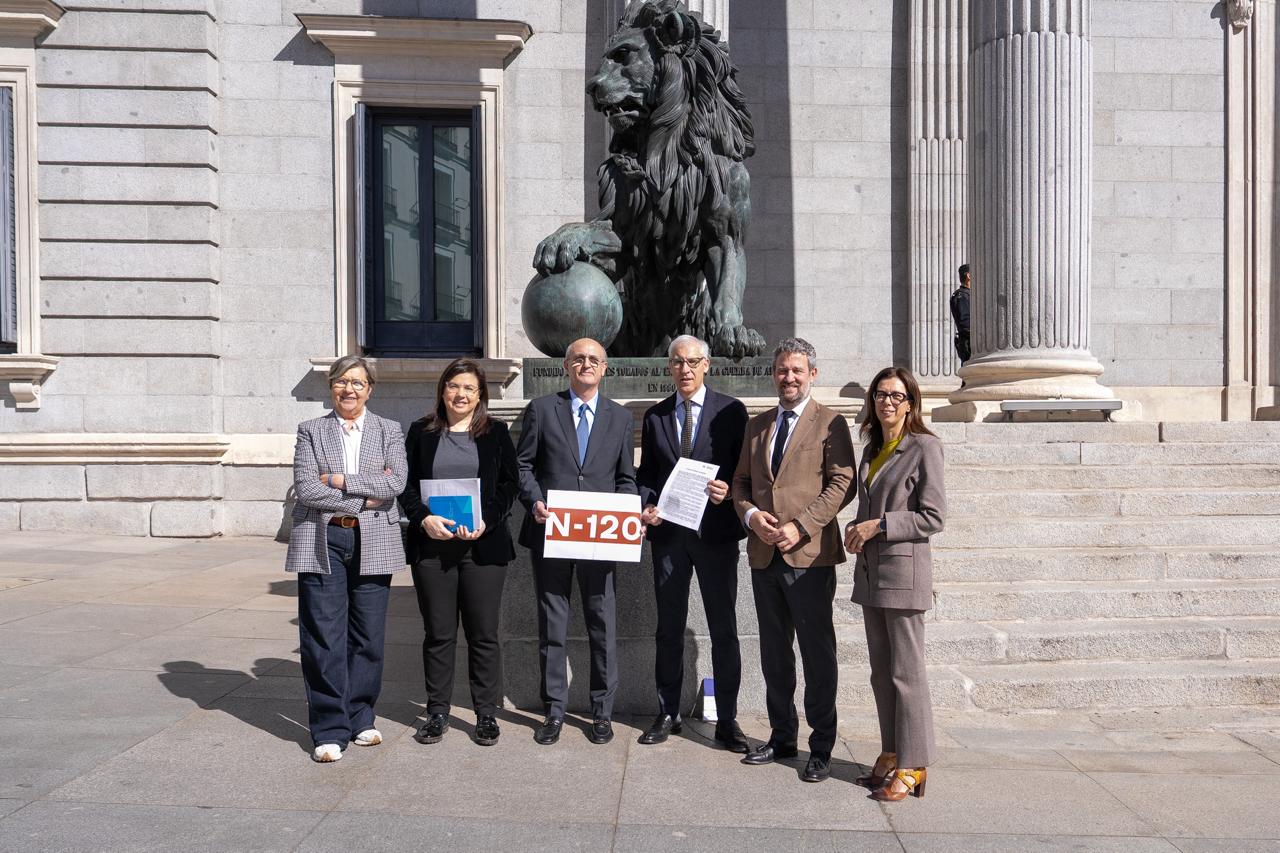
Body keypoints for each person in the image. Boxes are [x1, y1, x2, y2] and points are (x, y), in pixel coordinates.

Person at [731, 337, 855, 783]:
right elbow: (740, 483)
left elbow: (842, 484)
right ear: (774, 374)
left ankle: (821, 746)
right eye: (782, 370)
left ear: (812, 375)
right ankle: (782, 736)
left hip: (810, 557)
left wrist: (801, 526)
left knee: (817, 655)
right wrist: (750, 516)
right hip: (764, 555)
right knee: (774, 654)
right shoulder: (757, 425)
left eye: (797, 370)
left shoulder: (830, 423)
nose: (789, 377)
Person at [285, 355, 408, 763]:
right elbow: (307, 489)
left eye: (357, 382)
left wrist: (338, 481)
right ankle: (329, 728)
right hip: (323, 538)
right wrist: (364, 498)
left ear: (369, 389)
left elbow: (395, 483)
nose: (349, 389)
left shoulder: (389, 430)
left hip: (374, 540)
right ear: (331, 387)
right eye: (341, 381)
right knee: (323, 635)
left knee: (367, 635)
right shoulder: (311, 431)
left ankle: (361, 717)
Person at [516, 337, 638, 746]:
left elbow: (626, 478)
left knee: (602, 624)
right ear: (566, 366)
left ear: (605, 368)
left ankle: (602, 712)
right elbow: (523, 465)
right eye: (579, 359)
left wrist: (626, 515)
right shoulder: (541, 409)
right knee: (553, 624)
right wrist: (534, 501)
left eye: (594, 359)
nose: (586, 364)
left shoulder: (620, 418)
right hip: (551, 532)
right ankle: (554, 710)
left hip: (601, 539)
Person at [636, 335, 750, 753]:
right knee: (668, 627)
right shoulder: (656, 416)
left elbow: (745, 471)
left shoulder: (732, 411)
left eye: (692, 362)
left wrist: (730, 491)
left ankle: (728, 720)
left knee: (724, 629)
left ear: (707, 365)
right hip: (669, 537)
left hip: (715, 534)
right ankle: (668, 712)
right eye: (677, 363)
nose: (684, 369)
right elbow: (647, 475)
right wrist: (646, 505)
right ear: (669, 368)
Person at [398, 359, 519, 747]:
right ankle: (437, 712)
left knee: (483, 634)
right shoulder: (421, 432)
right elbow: (404, 485)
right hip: (433, 549)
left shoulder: (496, 432)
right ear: (442, 390)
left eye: (468, 388)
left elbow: (510, 484)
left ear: (480, 395)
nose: (460, 394)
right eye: (453, 386)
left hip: (482, 548)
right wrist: (422, 519)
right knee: (439, 633)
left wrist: (488, 519)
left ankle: (486, 714)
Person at [844, 366, 945, 802]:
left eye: (897, 396)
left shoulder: (924, 447)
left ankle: (914, 764)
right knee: (881, 672)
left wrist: (879, 525)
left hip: (904, 574)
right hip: (872, 574)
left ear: (911, 404)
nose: (887, 402)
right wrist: (857, 527)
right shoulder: (872, 449)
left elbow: (933, 517)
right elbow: (869, 507)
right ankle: (891, 751)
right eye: (881, 395)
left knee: (907, 673)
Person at [950, 263, 971, 365]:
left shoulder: (967, 294)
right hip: (969, 345)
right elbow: (965, 323)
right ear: (968, 276)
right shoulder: (962, 295)